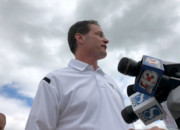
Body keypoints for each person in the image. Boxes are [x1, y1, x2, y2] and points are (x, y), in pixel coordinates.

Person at [25, 20, 166, 130]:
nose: (106, 40)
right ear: (80, 38)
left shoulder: (112, 83)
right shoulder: (54, 80)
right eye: (99, 35)